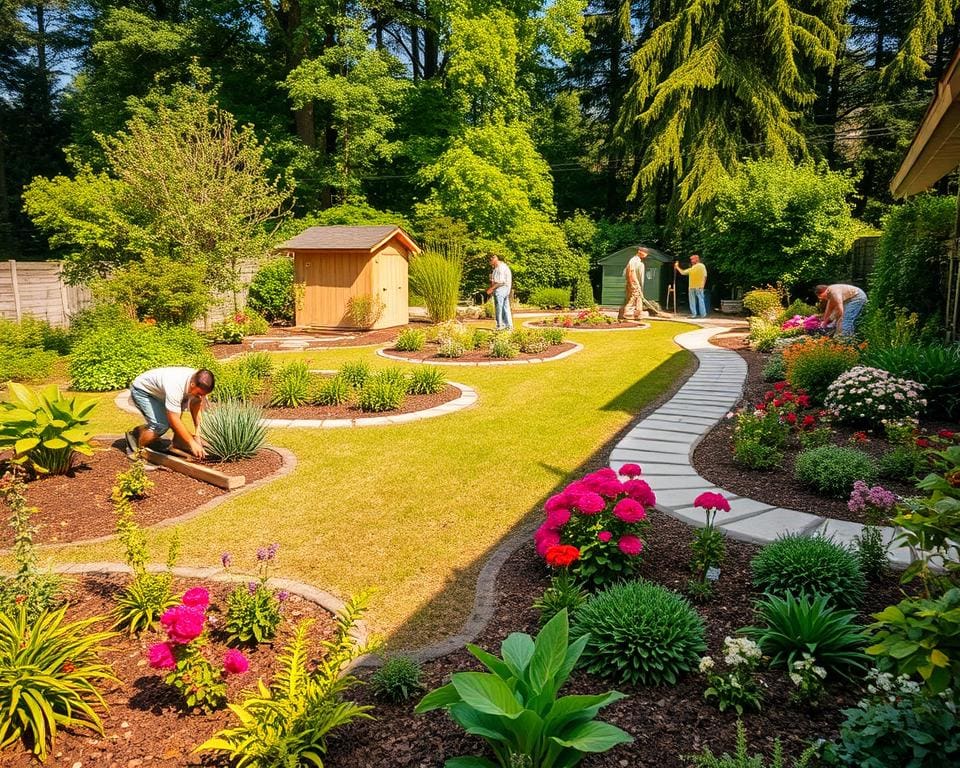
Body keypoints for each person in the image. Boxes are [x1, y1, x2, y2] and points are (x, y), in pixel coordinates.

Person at [127, 367, 216, 460]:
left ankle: (178, 443)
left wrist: (198, 434)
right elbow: (174, 419)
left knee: (178, 410)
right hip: (142, 390)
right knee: (161, 425)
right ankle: (138, 448)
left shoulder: (197, 382)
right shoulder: (176, 386)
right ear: (192, 384)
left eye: (204, 394)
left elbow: (196, 402)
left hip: (161, 393)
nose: (202, 396)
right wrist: (192, 443)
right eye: (199, 393)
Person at [618, 247, 647, 321]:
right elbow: (631, 272)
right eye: (645, 252)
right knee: (634, 297)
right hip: (633, 282)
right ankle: (627, 313)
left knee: (635, 298)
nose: (646, 254)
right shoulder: (633, 260)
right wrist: (632, 283)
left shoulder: (638, 261)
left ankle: (637, 315)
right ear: (639, 251)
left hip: (635, 282)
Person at [675, 254, 708, 318]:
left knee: (699, 300)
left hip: (698, 286)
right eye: (691, 260)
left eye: (692, 259)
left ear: (697, 259)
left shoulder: (701, 266)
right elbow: (683, 273)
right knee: (694, 301)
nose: (691, 261)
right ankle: (695, 314)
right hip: (691, 287)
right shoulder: (692, 268)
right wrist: (677, 267)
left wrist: (703, 285)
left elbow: (705, 276)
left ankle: (702, 314)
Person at [486, 254, 513, 331]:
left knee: (499, 307)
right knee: (505, 307)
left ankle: (500, 325)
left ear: (494, 259)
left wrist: (491, 289)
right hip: (505, 289)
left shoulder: (500, 268)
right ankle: (508, 325)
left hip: (501, 289)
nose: (489, 263)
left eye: (490, 261)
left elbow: (500, 282)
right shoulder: (498, 268)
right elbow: (495, 281)